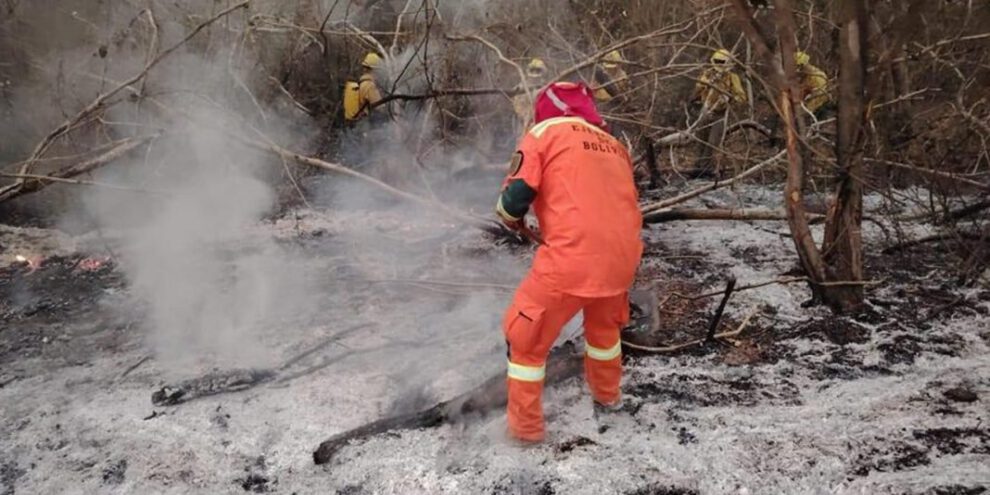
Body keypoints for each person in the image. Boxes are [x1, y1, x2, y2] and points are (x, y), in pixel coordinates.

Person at [495, 81, 643, 443]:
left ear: (546, 107)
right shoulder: (614, 145)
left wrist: (509, 217)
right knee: (605, 334)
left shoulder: (544, 132)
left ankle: (525, 433)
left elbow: (515, 197)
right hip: (623, 260)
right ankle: (608, 399)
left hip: (571, 259)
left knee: (524, 338)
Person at [692, 48, 747, 176]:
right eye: (718, 61)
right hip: (705, 110)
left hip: (720, 114)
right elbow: (698, 89)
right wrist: (707, 83)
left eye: (722, 62)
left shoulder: (732, 78)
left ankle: (706, 168)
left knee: (713, 142)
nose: (719, 64)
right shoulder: (708, 73)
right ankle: (698, 167)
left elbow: (742, 97)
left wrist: (729, 98)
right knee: (701, 139)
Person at [343, 52, 385, 123]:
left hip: (355, 124)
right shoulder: (369, 85)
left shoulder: (361, 83)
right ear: (374, 70)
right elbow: (380, 107)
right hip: (365, 125)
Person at [512, 58, 548, 132]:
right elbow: (517, 106)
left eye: (537, 70)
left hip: (541, 123)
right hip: (524, 122)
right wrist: (527, 116)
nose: (535, 73)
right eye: (533, 70)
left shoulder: (547, 87)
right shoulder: (521, 87)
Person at [794, 51, 831, 120]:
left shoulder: (818, 78)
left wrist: (805, 111)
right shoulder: (807, 77)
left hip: (819, 110)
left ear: (801, 66)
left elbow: (818, 99)